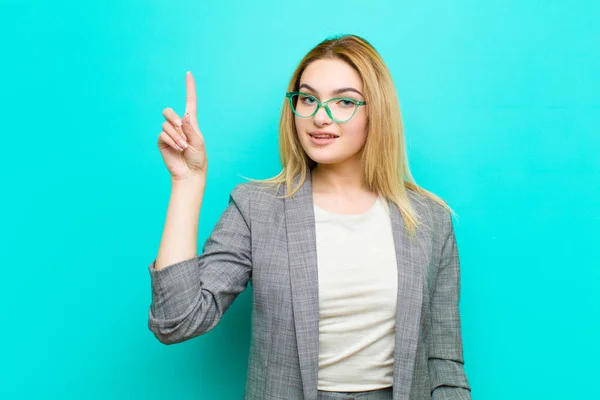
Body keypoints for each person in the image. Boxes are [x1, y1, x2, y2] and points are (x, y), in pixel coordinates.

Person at [148, 34, 472, 400]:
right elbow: (177, 320)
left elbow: (444, 363)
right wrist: (187, 182)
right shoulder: (257, 207)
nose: (320, 116)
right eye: (308, 98)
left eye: (344, 101)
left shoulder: (430, 219)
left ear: (375, 111)